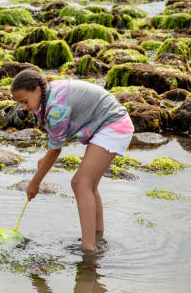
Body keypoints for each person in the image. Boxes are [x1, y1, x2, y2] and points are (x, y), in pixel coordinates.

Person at [10, 69, 134, 253]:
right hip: (104, 125)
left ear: (37, 90)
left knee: (80, 183)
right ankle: (98, 237)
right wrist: (45, 159)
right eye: (21, 103)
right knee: (89, 185)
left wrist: (34, 183)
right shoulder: (47, 97)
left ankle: (89, 249)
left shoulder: (56, 108)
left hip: (113, 125)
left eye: (25, 101)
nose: (25, 107)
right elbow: (54, 142)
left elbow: (56, 150)